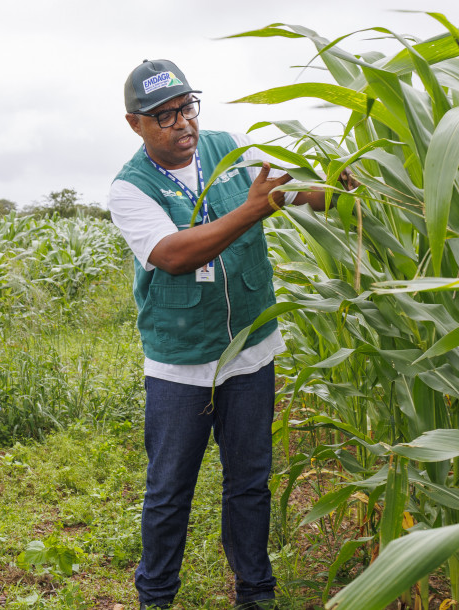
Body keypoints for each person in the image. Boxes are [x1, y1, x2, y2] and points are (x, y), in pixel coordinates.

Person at [109, 59, 340, 610]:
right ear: (134, 124)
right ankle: (156, 596)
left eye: (186, 107)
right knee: (169, 491)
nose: (181, 123)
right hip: (181, 365)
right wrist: (251, 211)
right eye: (162, 116)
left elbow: (297, 190)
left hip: (251, 355)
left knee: (249, 482)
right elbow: (172, 255)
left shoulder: (231, 147)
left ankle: (255, 592)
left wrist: (333, 189)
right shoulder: (129, 188)